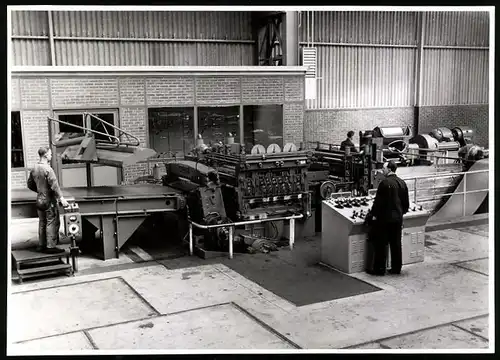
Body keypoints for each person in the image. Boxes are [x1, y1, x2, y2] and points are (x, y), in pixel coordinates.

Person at [368, 160, 410, 276]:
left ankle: (379, 269)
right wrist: (401, 213)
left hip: (385, 219)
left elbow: (378, 203)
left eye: (384, 168)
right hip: (398, 219)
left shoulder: (384, 183)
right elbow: (406, 203)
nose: (382, 170)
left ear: (390, 170)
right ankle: (396, 268)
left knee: (381, 244)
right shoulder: (402, 183)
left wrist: (372, 215)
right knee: (396, 243)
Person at [27, 146, 69, 254]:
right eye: (50, 153)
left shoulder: (34, 168)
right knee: (52, 222)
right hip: (49, 201)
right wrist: (62, 199)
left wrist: (40, 191)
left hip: (39, 200)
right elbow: (55, 186)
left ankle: (41, 245)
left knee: (42, 222)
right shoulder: (48, 169)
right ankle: (51, 246)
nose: (51, 155)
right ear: (45, 155)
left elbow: (30, 184)